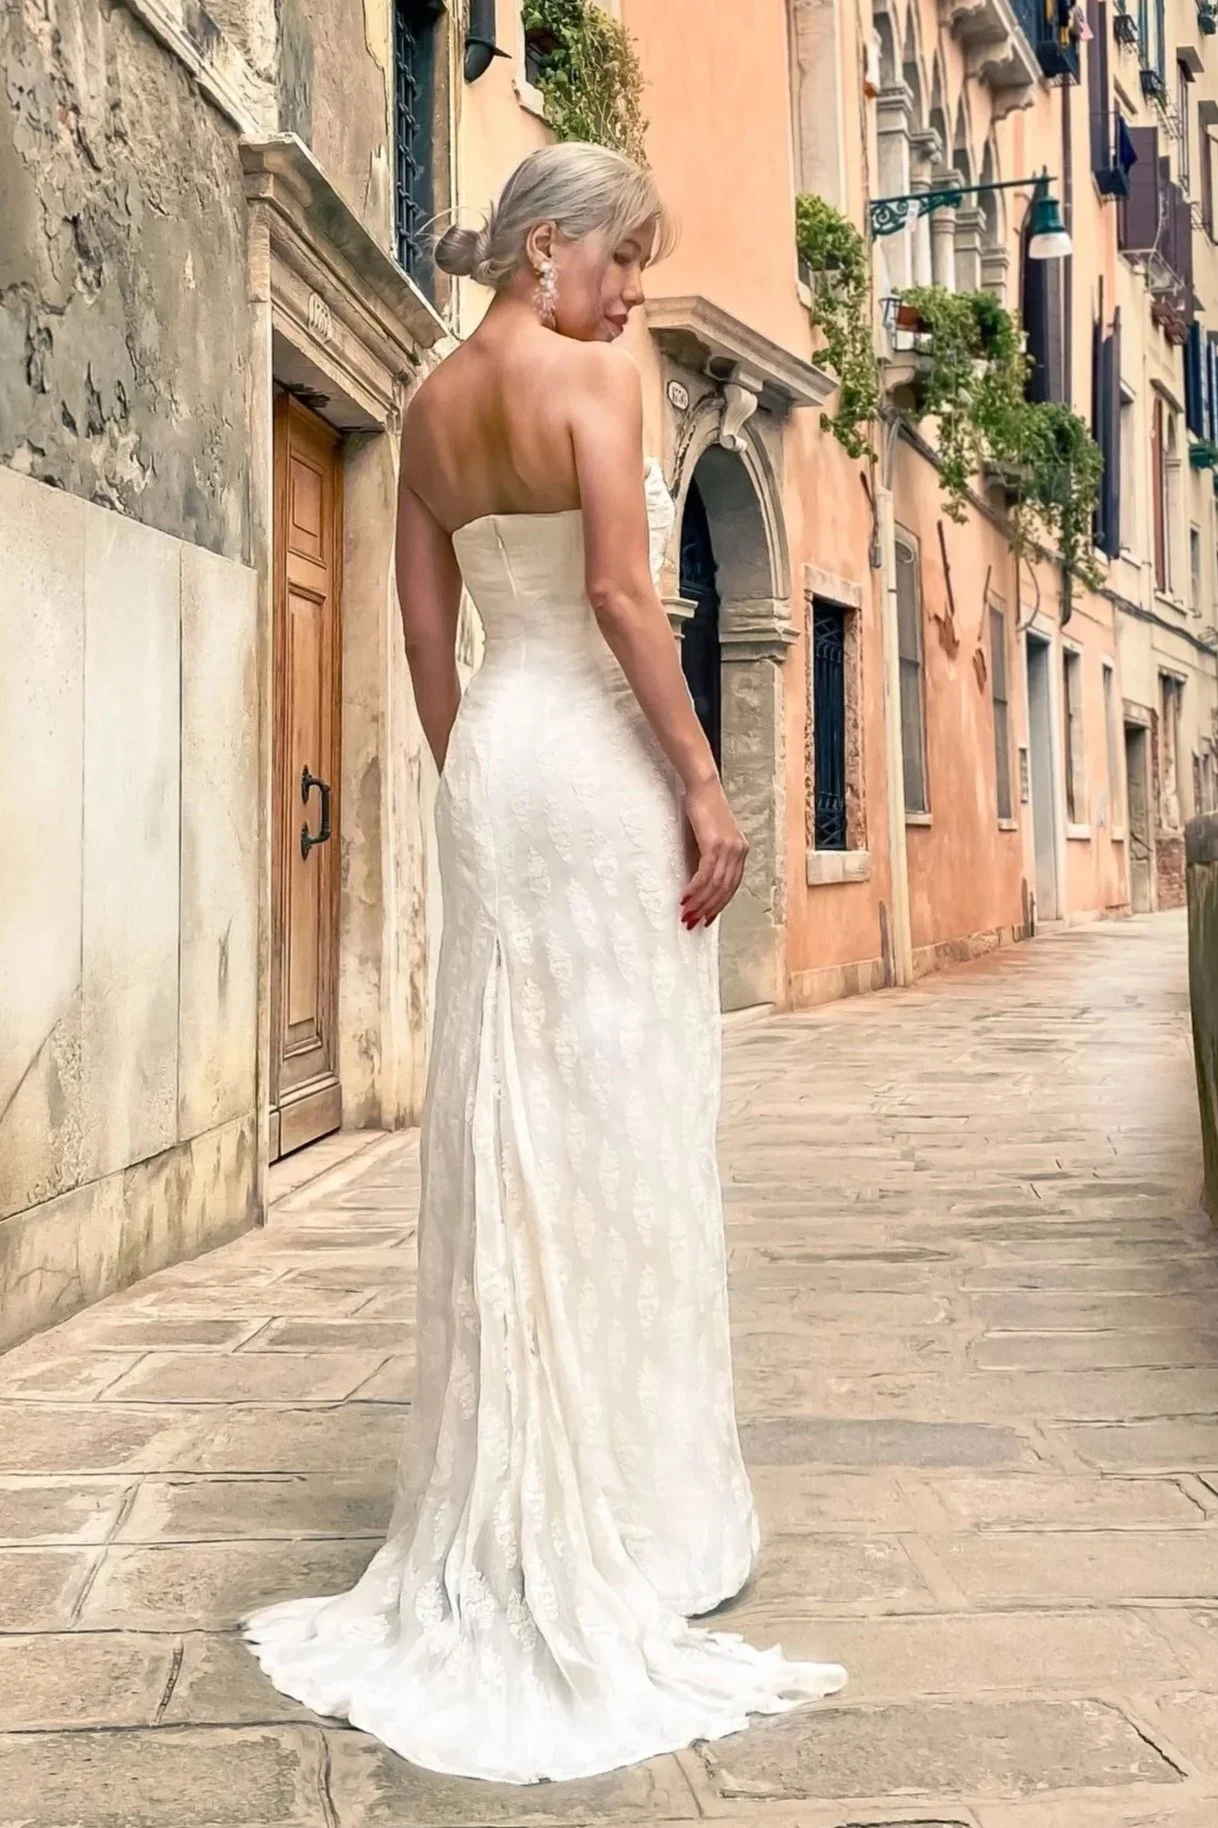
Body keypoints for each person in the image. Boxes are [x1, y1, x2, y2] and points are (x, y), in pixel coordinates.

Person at [243, 141, 845, 1785]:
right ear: (543, 255)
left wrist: (472, 783)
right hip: (591, 767)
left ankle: (521, 1479)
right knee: (616, 1120)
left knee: (509, 1114)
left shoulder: (429, 404)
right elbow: (625, 603)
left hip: (499, 766)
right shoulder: (593, 381)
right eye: (620, 259)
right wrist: (703, 784)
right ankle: (643, 1519)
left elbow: (424, 636)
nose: (635, 292)